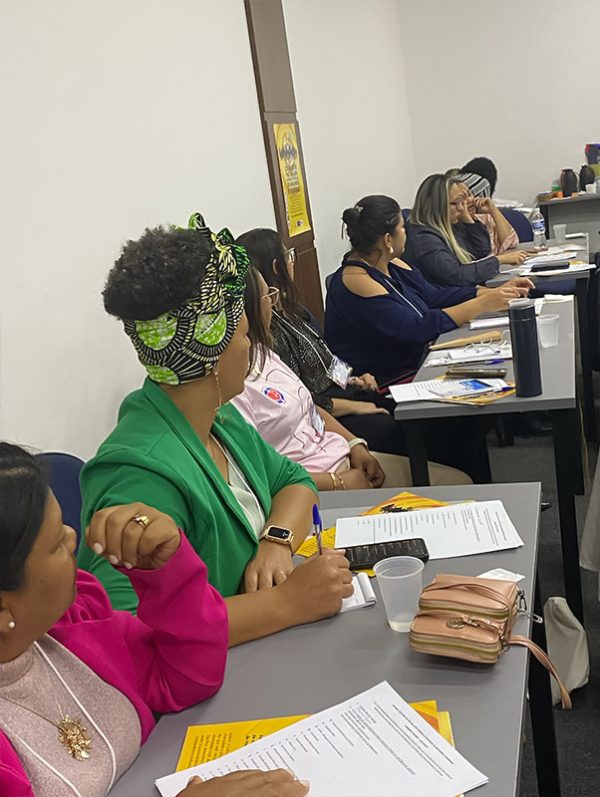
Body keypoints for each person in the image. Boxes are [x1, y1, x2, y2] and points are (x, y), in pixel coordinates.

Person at [78, 215, 353, 629]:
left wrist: (276, 542)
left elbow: (294, 482)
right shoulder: (139, 475)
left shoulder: (218, 418)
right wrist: (287, 603)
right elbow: (130, 626)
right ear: (211, 352)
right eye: (243, 336)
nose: (250, 346)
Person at [0, 441, 228, 796]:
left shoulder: (73, 628)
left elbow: (189, 678)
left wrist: (168, 573)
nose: (73, 538)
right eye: (56, 543)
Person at [232, 266, 471, 487]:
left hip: (339, 451)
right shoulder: (238, 386)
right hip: (318, 481)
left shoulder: (266, 350)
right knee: (401, 431)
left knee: (457, 478)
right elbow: (263, 475)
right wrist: (337, 481)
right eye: (267, 296)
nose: (272, 303)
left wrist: (355, 444)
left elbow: (311, 403)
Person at [325, 194, 532, 384]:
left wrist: (490, 293)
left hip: (424, 358)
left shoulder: (391, 262)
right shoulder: (356, 279)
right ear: (388, 239)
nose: (406, 233)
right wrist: (481, 304)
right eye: (402, 227)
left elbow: (433, 296)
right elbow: (414, 329)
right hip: (391, 378)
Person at [235, 228, 402, 456]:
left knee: (399, 404)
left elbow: (327, 360)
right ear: (276, 266)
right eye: (288, 256)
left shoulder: (295, 311)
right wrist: (357, 407)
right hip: (325, 414)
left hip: (343, 392)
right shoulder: (269, 334)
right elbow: (303, 399)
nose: (292, 262)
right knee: (389, 427)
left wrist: (353, 379)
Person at [404, 174, 528, 287]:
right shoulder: (424, 238)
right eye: (455, 203)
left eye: (462, 202)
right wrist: (500, 260)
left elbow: (481, 250)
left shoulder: (451, 225)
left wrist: (467, 219)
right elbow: (457, 276)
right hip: (452, 299)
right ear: (437, 206)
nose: (461, 208)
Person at [454, 171, 519, 255]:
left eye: (469, 194)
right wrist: (467, 218)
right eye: (462, 198)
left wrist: (493, 210)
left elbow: (512, 243)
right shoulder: (455, 229)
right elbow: (484, 254)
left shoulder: (484, 219)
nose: (470, 200)